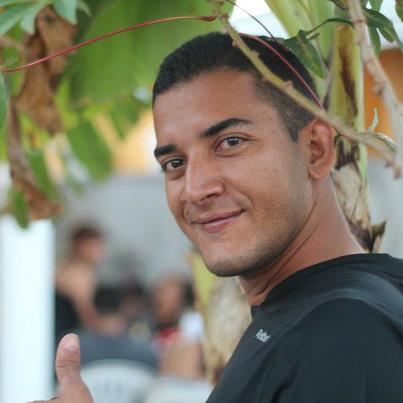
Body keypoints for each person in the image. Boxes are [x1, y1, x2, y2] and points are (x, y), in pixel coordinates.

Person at [30, 32, 403, 403]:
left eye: (230, 143)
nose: (195, 189)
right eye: (174, 163)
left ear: (316, 149)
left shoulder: (340, 331)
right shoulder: (321, 310)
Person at [55, 225, 105, 341]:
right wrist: (105, 332)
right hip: (64, 337)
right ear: (81, 246)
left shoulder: (69, 267)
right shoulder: (78, 273)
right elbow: (86, 314)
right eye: (95, 246)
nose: (101, 251)